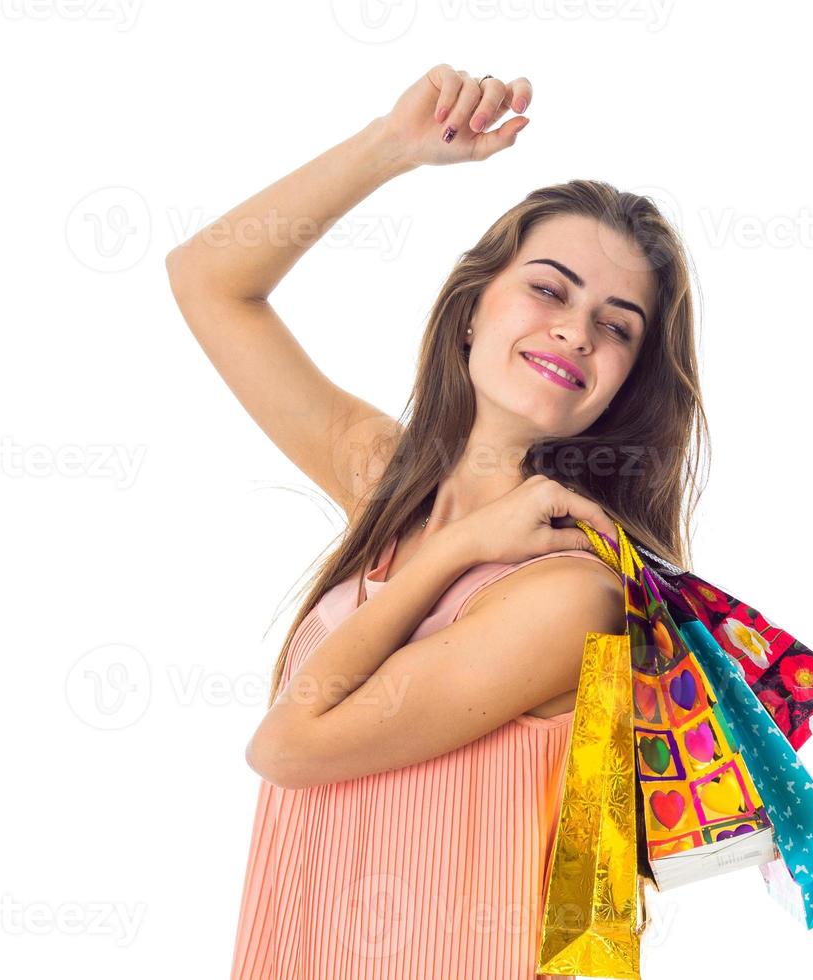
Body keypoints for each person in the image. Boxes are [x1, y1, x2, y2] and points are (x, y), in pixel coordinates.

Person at [165, 64, 708, 979]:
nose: (576, 332)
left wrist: (453, 552)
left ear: (625, 384)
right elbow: (207, 280)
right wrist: (392, 147)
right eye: (549, 289)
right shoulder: (390, 481)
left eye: (617, 327)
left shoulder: (570, 591)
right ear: (471, 310)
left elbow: (288, 746)